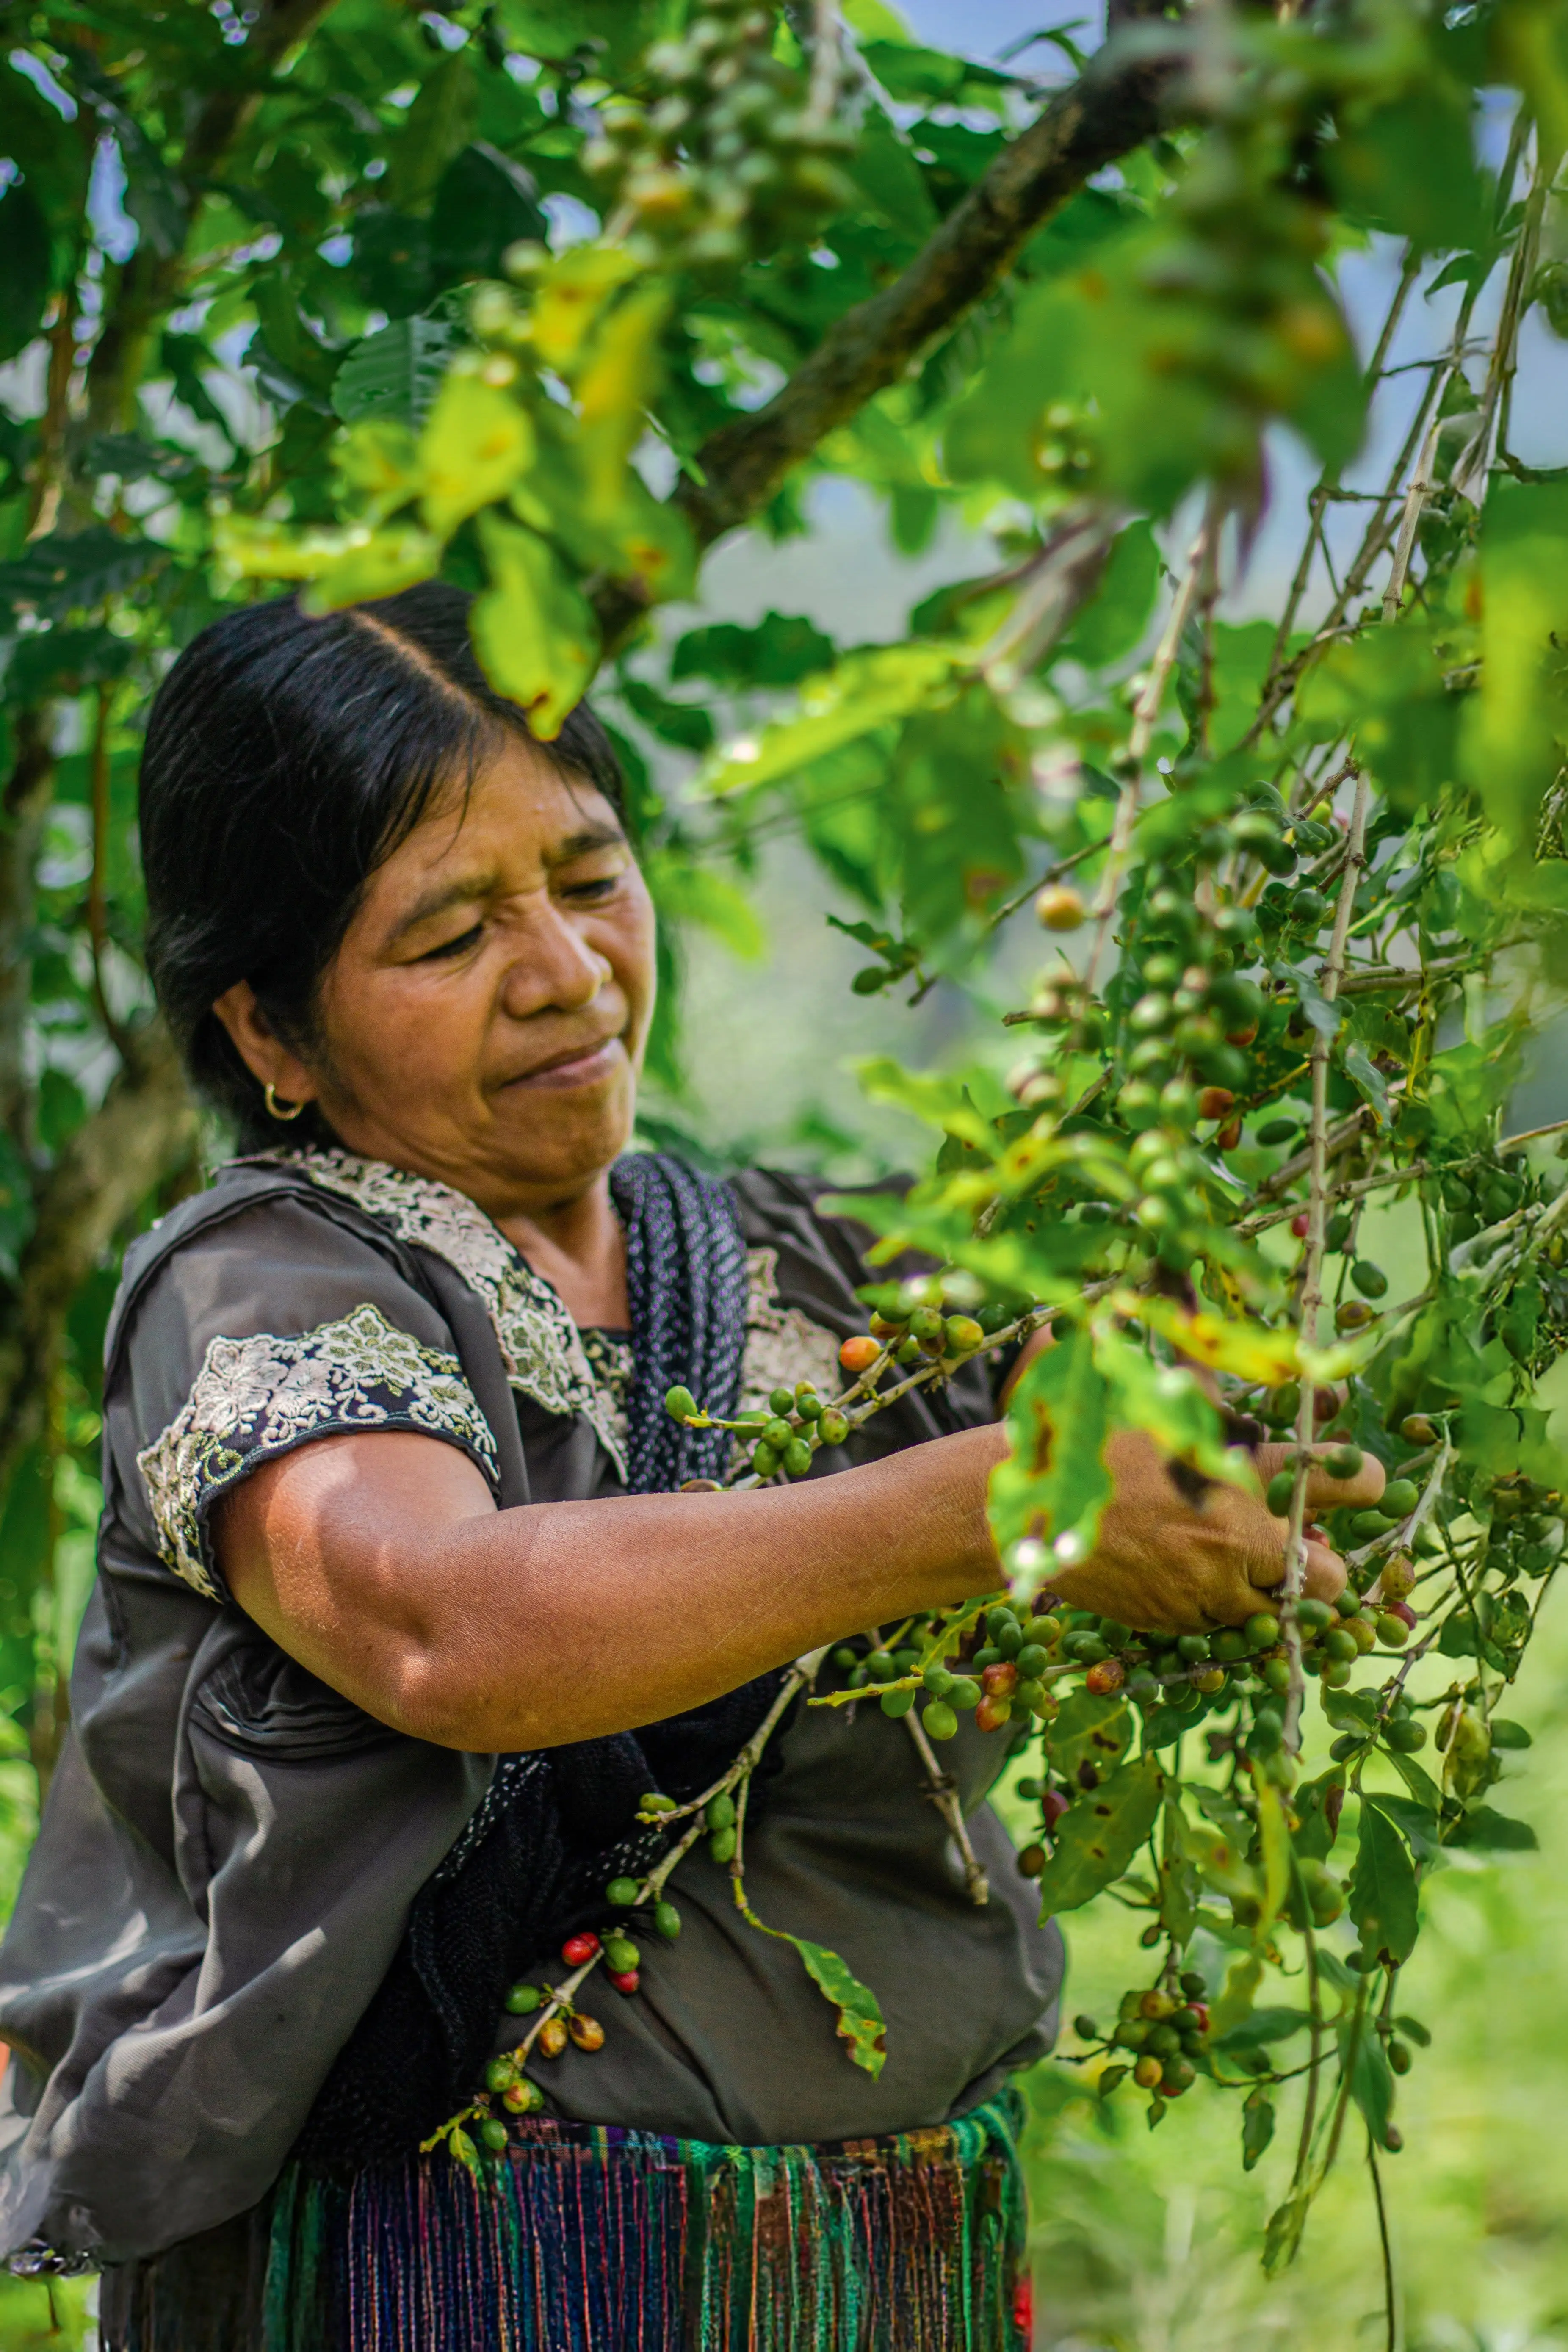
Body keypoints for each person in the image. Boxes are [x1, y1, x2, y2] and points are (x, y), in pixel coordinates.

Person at [0, 585, 1380, 2350]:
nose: (567, 972)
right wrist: (989, 1506)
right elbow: (447, 1626)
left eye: (588, 878)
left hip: (886, 2277)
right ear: (272, 1030)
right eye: (447, 936)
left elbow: (1190, 1382)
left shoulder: (817, 1268)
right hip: (446, 2296)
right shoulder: (262, 1292)